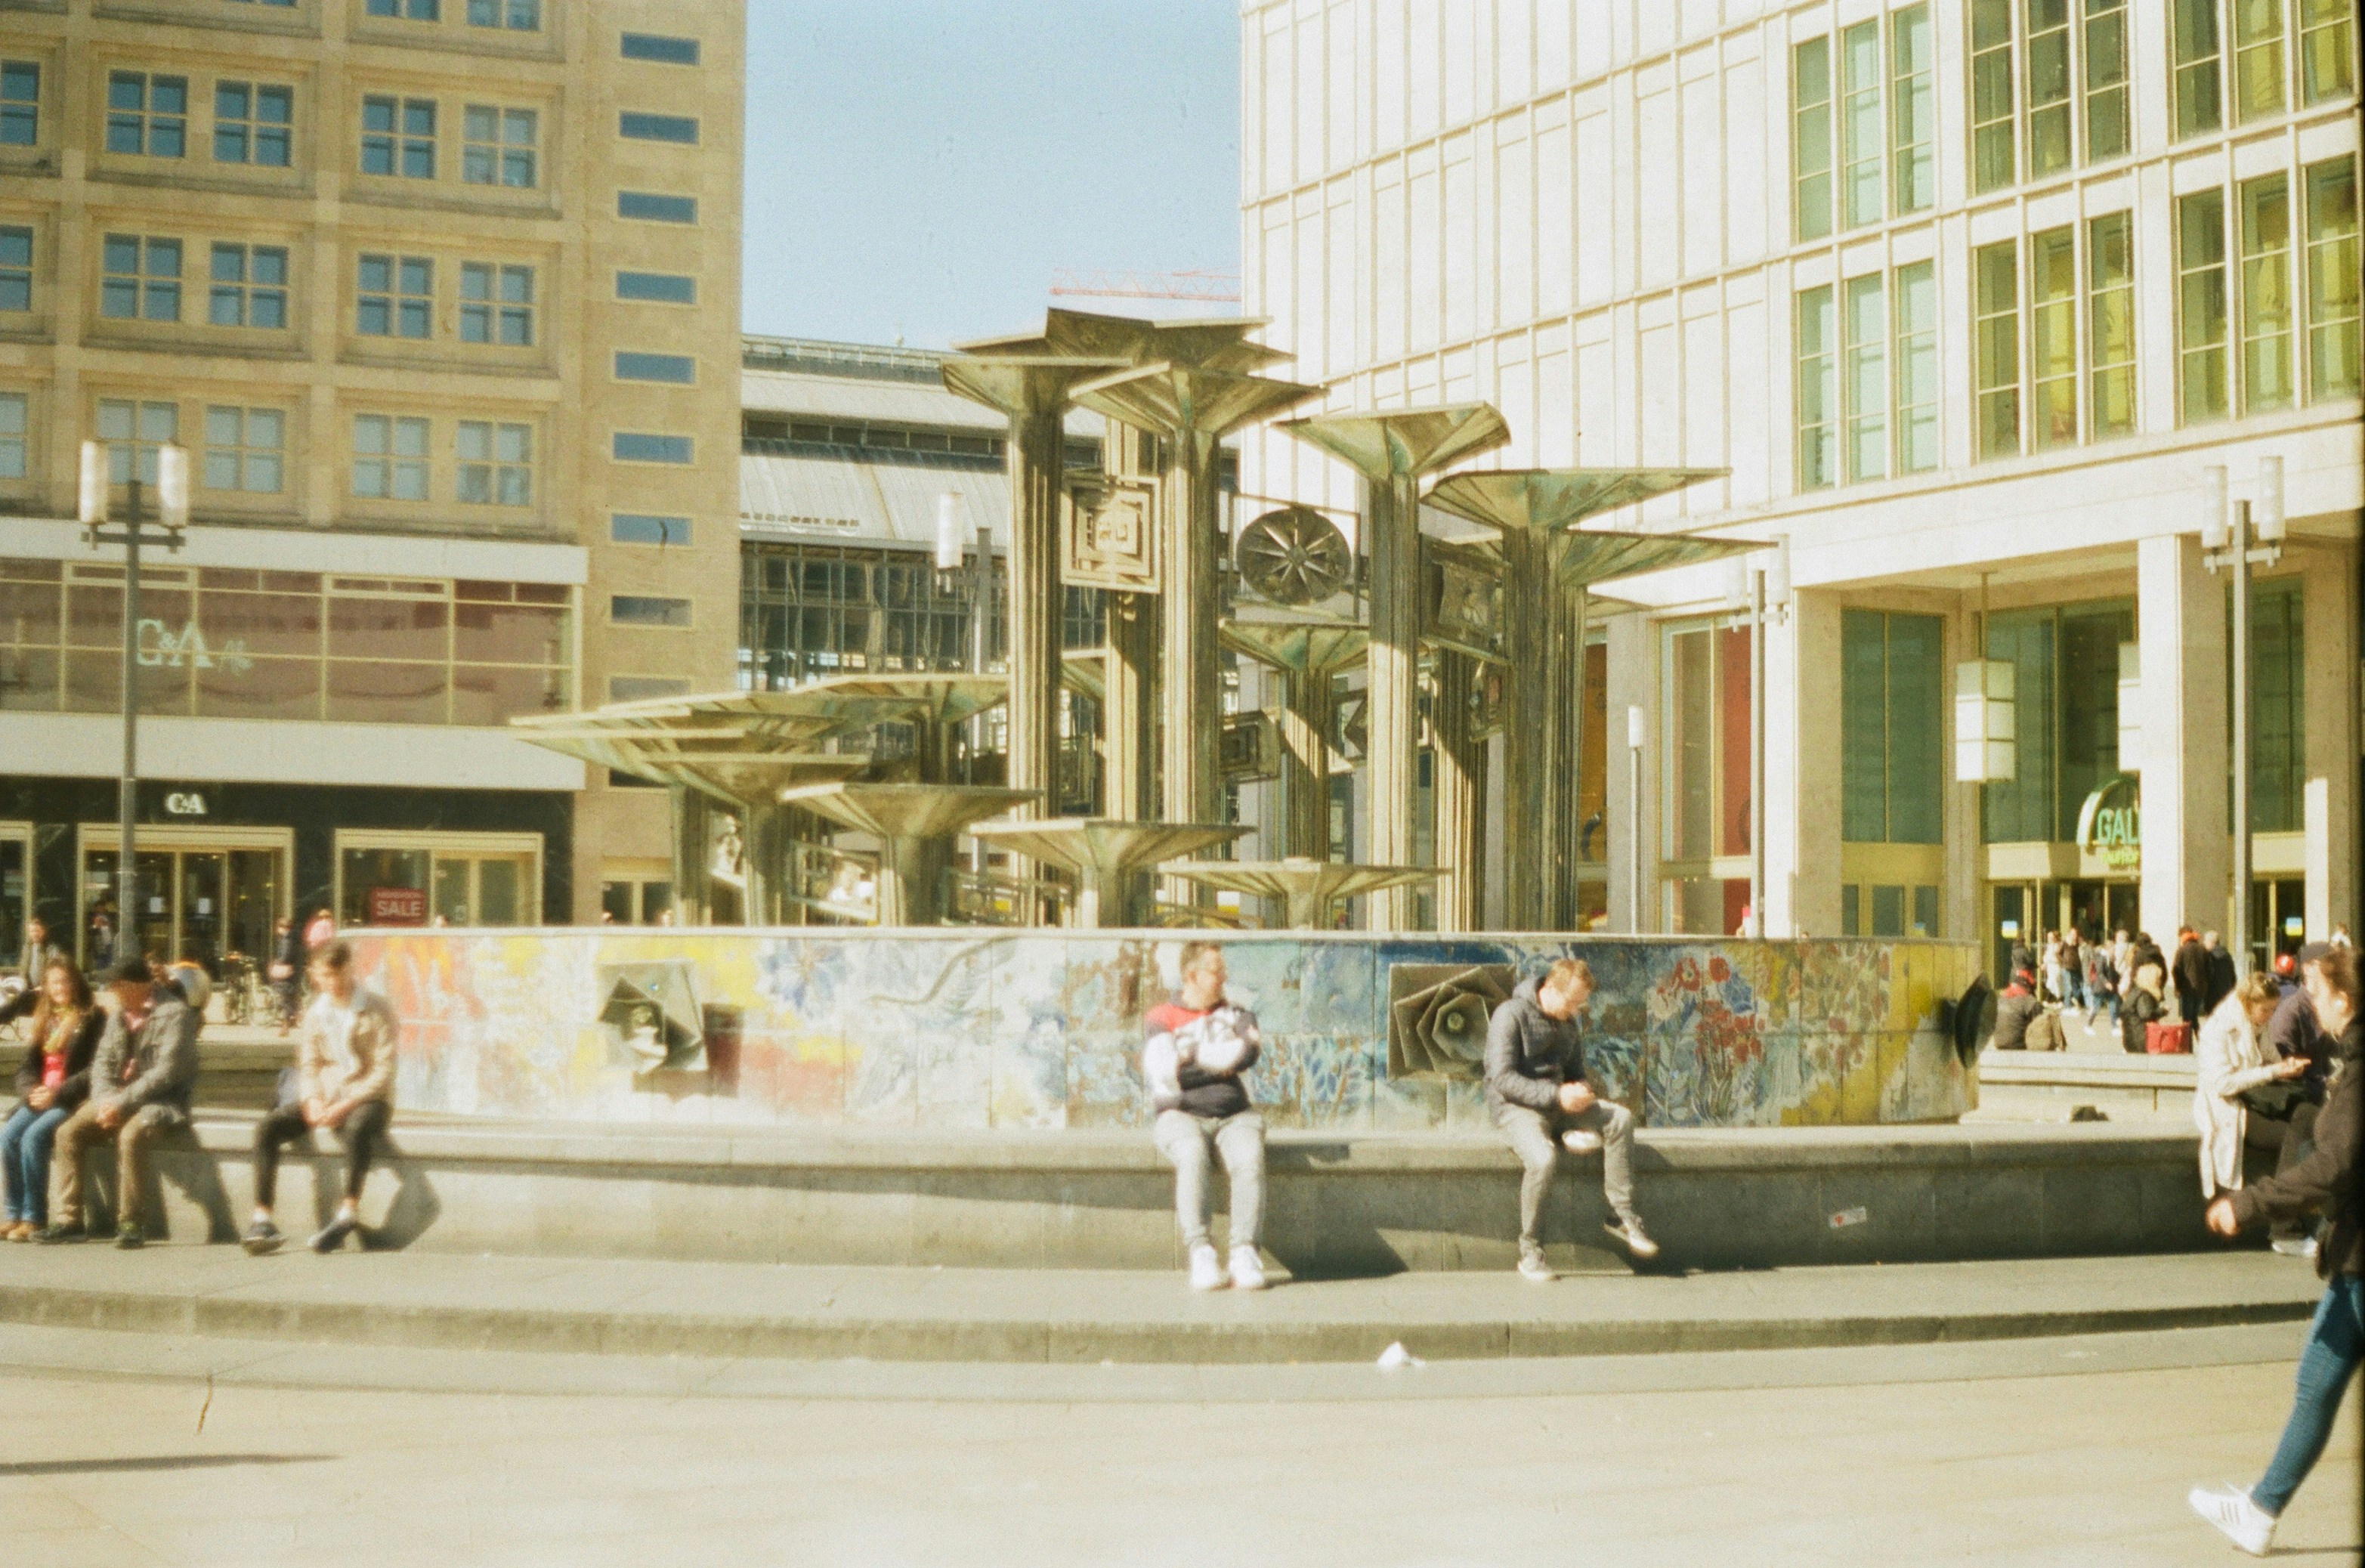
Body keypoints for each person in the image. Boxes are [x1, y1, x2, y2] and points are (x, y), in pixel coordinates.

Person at [2187, 946, 2360, 1556]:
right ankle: (2260, 1512)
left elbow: (2333, 1167)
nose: (2307, 1002)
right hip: (2352, 1257)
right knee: (2317, 1380)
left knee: (2317, 1380)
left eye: (2316, 991)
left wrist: (2250, 1202)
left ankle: (2261, 1510)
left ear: (2345, 999)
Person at [1485, 957, 1657, 1279]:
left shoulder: (1568, 1024)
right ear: (1549, 989)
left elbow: (1577, 1073)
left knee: (1620, 1119)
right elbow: (1502, 1079)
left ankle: (1621, 1216)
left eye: (1581, 1005)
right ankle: (1531, 1251)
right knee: (1544, 1159)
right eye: (1572, 1003)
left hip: (1560, 1107)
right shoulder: (1509, 1015)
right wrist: (1556, 1096)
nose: (1576, 1012)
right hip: (1515, 1110)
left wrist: (1582, 1092)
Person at [244, 941, 400, 1255]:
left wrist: (347, 1102)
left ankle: (348, 1211)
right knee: (268, 1128)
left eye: (337, 974)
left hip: (371, 1097)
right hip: (326, 1095)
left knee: (355, 1129)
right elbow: (309, 1063)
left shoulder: (377, 1008)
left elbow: (385, 1070)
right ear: (314, 974)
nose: (332, 983)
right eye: (324, 976)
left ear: (349, 969)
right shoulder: (317, 1012)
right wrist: (313, 1099)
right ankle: (262, 1218)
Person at [39, 956, 201, 1247]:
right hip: (115, 1097)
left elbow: (166, 1074)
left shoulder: (175, 1014)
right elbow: (101, 1065)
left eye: (118, 985)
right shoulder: (117, 1016)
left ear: (139, 986)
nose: (113, 991)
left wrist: (121, 1103)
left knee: (131, 1135)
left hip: (159, 1101)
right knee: (67, 1132)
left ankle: (130, 1223)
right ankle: (70, 1220)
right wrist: (104, 1103)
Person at [1141, 941, 1266, 1291]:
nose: (1224, 977)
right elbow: (1166, 1071)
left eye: (1224, 970)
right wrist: (1215, 1062)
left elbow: (1246, 1053)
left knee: (1249, 1158)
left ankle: (1244, 1251)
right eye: (1217, 971)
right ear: (1192, 975)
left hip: (1235, 1114)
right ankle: (1202, 1252)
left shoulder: (1240, 1015)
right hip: (1179, 1114)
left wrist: (1189, 1055)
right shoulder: (1160, 1017)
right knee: (1192, 1156)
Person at [2193, 972, 2316, 1249]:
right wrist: (2273, 1072)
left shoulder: (2257, 1025)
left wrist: (2288, 1066)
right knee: (2292, 1137)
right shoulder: (2218, 1029)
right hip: (2229, 1108)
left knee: (2306, 1116)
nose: (2270, 1016)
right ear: (2247, 1003)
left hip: (2256, 1099)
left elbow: (2271, 1059)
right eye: (2265, 1010)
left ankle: (2288, 1226)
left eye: (2274, 1010)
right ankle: (2285, 1228)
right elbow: (2222, 1084)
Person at [0, 958, 105, 1241]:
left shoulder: (93, 1016)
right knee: (8, 1135)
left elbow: (95, 1069)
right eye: (54, 982)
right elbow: (27, 1067)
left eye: (66, 980)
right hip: (40, 1095)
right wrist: (30, 1091)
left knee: (34, 1137)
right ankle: (13, 1213)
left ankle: (34, 1217)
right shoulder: (46, 1018)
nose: (61, 987)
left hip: (69, 1099)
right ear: (45, 987)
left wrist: (56, 1093)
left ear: (77, 983)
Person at [267, 914, 305, 1035]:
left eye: (278, 927)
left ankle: (286, 1026)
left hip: (287, 974)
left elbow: (285, 957)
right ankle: (294, 1021)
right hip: (294, 973)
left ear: (283, 927)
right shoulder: (296, 939)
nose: (277, 930)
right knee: (292, 999)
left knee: (285, 999)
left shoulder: (287, 939)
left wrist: (276, 962)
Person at [2123, 960, 2168, 1054]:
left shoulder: (2135, 992)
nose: (2160, 982)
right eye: (2158, 979)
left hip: (2131, 1037)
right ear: (2151, 979)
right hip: (2142, 1039)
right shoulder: (2144, 996)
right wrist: (2163, 1011)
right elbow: (2146, 1014)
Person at [14, 915, 65, 995]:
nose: (35, 934)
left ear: (44, 931)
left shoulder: (52, 949)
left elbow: (55, 972)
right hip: (29, 992)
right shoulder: (27, 949)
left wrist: (44, 986)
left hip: (46, 992)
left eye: (37, 931)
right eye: (32, 931)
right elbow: (23, 969)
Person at [1989, 973, 2041, 1050]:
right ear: (2028, 988)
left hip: (1999, 1042)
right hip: (2018, 1044)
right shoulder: (2029, 1001)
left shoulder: (2000, 1000)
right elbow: (2039, 1024)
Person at [2173, 927, 2211, 1027]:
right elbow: (2209, 970)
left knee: (2187, 1018)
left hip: (2187, 989)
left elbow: (2176, 970)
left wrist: (2177, 987)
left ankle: (2187, 1041)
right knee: (2194, 1016)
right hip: (2201, 989)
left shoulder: (2182, 950)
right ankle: (2198, 1038)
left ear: (2183, 936)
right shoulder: (2202, 949)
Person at [2203, 930, 2237, 1017]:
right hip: (2226, 991)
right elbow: (2233, 975)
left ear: (2211, 943)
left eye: (2205, 941)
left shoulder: (2210, 956)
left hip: (2213, 993)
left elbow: (2208, 974)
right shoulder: (2227, 955)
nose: (2204, 943)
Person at [2087, 939, 2120, 1028]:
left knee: (2113, 1006)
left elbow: (2112, 973)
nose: (2115, 951)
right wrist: (2106, 983)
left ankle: (2114, 1027)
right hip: (2101, 986)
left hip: (2110, 987)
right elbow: (2100, 972)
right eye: (2113, 949)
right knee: (2097, 1008)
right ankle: (2089, 1025)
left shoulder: (2111, 958)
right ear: (2108, 949)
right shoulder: (2101, 957)